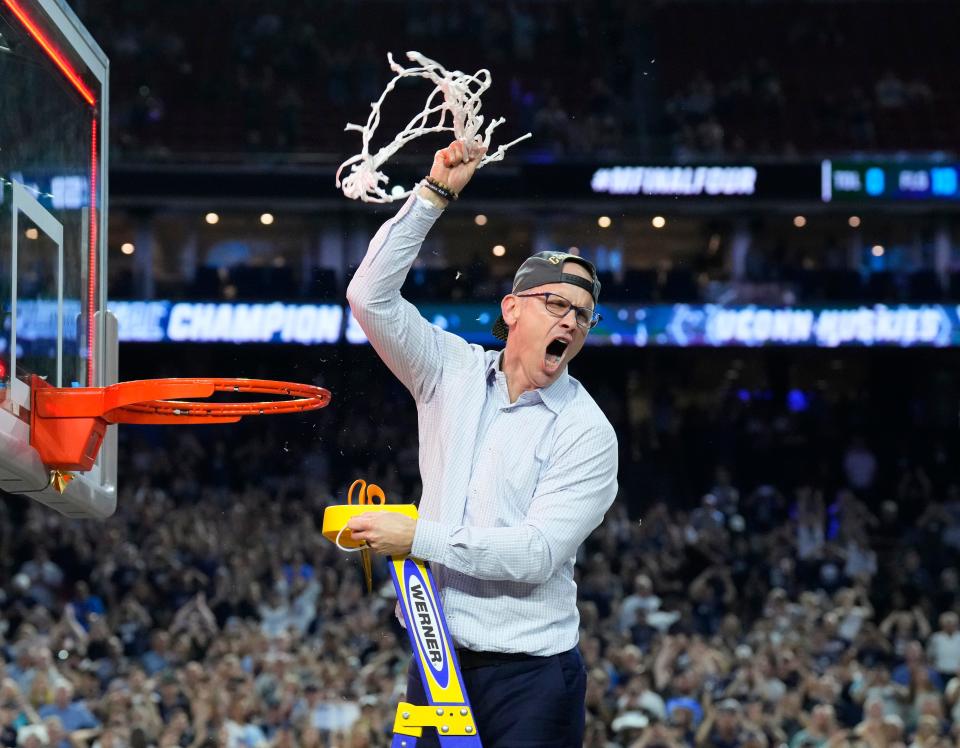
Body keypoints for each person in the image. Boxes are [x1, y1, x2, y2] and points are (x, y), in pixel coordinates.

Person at [345, 139, 619, 747]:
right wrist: (434, 195)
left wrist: (418, 536)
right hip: (435, 657)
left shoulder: (587, 431)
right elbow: (368, 297)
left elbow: (535, 555)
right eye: (556, 304)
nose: (571, 322)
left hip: (532, 677)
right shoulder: (449, 370)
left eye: (583, 314)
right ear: (512, 308)